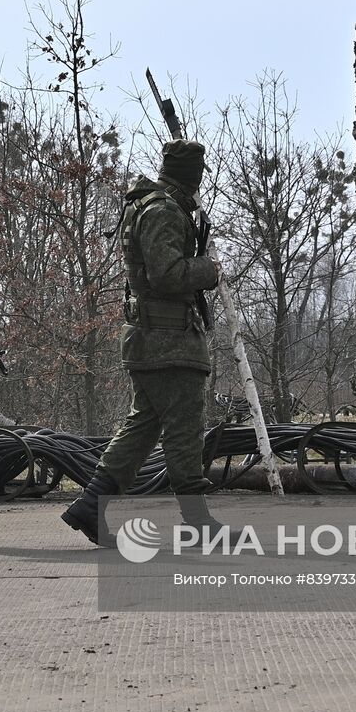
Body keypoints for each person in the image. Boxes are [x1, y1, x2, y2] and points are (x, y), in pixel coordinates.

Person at [62, 139, 223, 545]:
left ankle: (89, 506)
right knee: (185, 429)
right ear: (194, 175)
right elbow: (166, 275)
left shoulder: (153, 205)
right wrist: (208, 269)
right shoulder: (165, 211)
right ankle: (198, 523)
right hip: (167, 342)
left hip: (155, 340)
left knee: (142, 428)